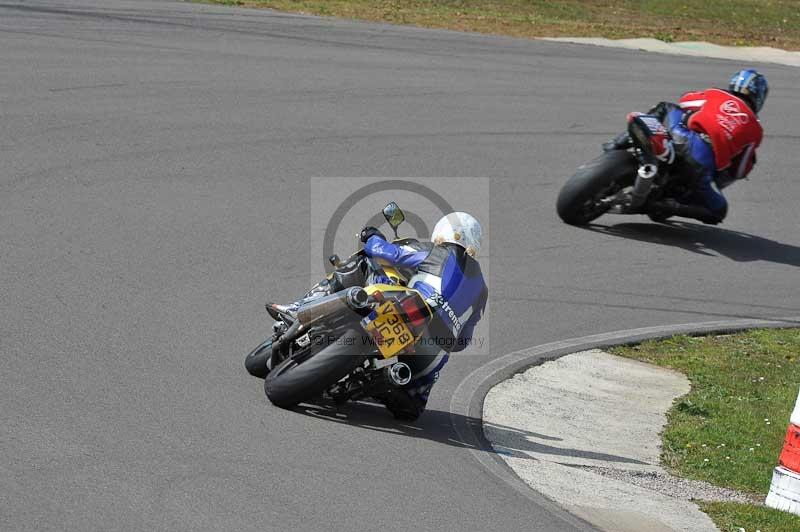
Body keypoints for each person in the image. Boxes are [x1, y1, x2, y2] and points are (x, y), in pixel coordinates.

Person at [359, 211, 488, 420]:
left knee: (366, 263)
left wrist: (372, 236)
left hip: (408, 310)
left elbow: (385, 252)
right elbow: (463, 341)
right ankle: (384, 381)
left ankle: (300, 308)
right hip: (436, 344)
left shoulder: (434, 251)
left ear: (442, 231)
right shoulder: (482, 289)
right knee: (412, 405)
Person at [607, 69, 768, 225]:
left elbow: (686, 100)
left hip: (679, 136)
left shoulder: (716, 94)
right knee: (719, 210)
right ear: (759, 97)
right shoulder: (756, 129)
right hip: (701, 163)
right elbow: (740, 170)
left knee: (666, 107)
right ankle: (666, 205)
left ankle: (617, 144)